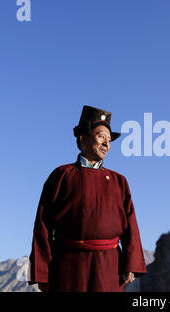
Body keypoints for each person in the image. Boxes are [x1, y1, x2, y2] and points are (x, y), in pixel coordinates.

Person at [28, 105, 147, 292]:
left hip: (109, 268)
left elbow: (131, 225)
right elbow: (42, 226)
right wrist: (42, 272)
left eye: (109, 140)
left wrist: (131, 264)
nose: (107, 144)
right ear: (83, 138)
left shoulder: (119, 181)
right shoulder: (61, 176)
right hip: (68, 266)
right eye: (101, 137)